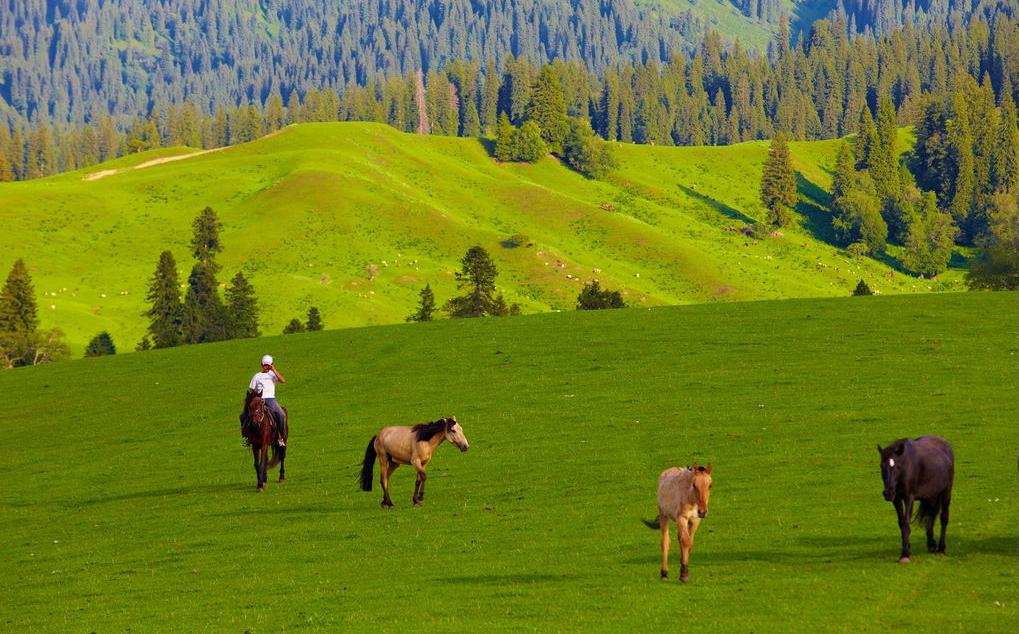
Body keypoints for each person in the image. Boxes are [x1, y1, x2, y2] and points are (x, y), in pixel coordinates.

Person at [245, 354, 288, 447]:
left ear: (272, 364)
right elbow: (252, 389)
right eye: (265, 365)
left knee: (282, 415)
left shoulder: (272, 375)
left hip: (271, 399)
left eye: (269, 365)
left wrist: (274, 369)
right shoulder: (257, 376)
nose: (267, 367)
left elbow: (283, 380)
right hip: (259, 399)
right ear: (261, 365)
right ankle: (249, 437)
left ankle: (281, 438)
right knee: (246, 415)